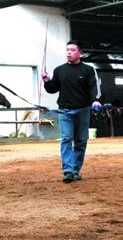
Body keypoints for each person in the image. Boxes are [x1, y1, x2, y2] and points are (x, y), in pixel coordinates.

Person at [42, 40, 102, 183]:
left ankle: (76, 170)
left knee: (81, 141)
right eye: (67, 49)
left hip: (83, 110)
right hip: (64, 111)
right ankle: (68, 171)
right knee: (66, 139)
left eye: (72, 50)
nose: (69, 52)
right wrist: (46, 81)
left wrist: (96, 100)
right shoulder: (59, 70)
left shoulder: (88, 70)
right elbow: (52, 89)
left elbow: (95, 88)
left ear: (80, 53)